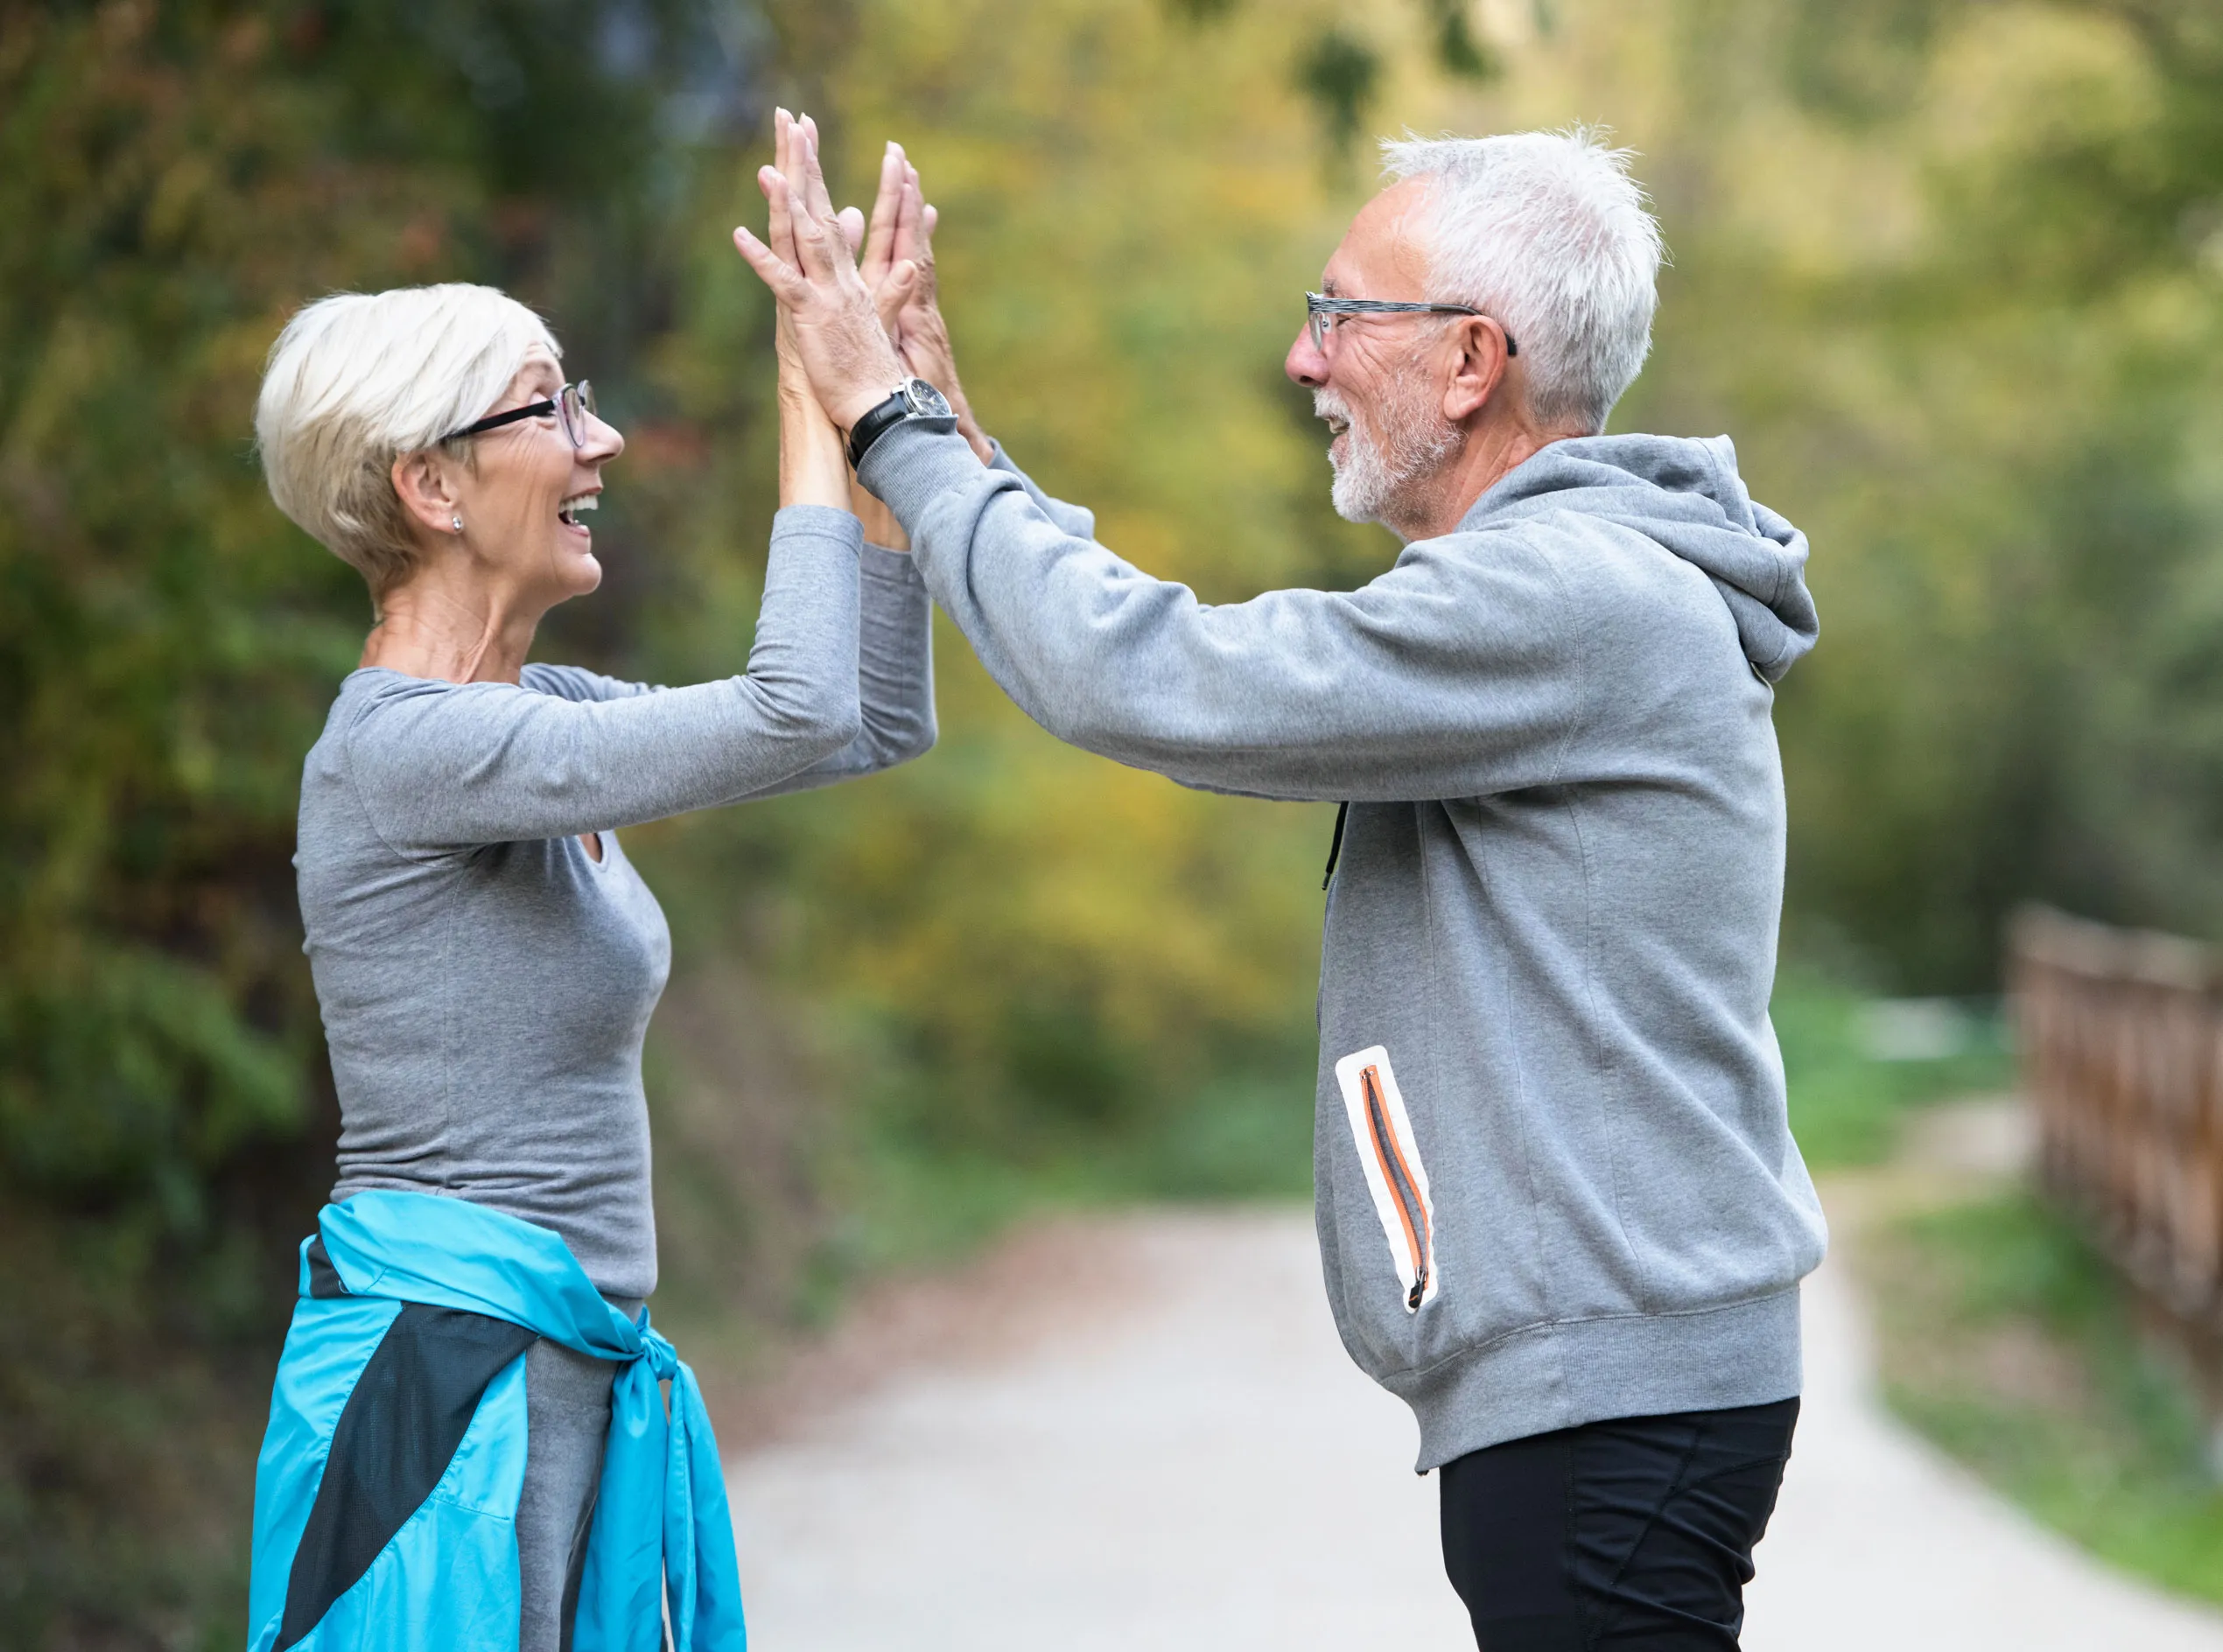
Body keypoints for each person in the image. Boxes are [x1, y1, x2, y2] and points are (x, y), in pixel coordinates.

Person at [736, 123, 1828, 1648]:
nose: (1303, 362)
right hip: (1610, 1375)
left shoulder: (1565, 596)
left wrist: (890, 428)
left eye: (1340, 314)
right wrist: (954, 441)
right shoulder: (1566, 591)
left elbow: (1165, 680)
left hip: (1608, 1384)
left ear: (1470, 361)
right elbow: (1157, 656)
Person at [242, 113, 931, 1652]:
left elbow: (865, 717)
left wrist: (896, 411)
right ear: (430, 484)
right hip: (440, 1391)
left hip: (555, 1373)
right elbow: (798, 703)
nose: (600, 440)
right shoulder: (403, 754)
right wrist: (811, 397)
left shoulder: (540, 725)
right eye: (551, 407)